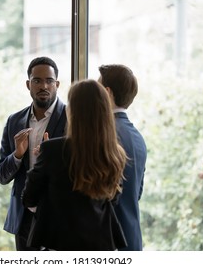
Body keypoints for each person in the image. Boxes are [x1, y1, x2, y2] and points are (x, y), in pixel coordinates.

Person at [21, 79, 128, 251]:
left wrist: (42, 160)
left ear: (74, 112)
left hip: (61, 246)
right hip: (103, 245)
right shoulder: (115, 153)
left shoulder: (52, 150)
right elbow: (113, 199)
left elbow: (28, 198)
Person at [0, 56, 67, 250]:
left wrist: (52, 158)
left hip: (60, 217)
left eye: (49, 81)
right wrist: (17, 155)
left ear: (57, 84)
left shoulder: (73, 119)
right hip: (24, 217)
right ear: (28, 84)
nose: (43, 85)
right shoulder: (14, 121)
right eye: (37, 80)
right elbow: (1, 175)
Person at [98, 64, 147, 251]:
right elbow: (137, 192)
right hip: (132, 239)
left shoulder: (104, 135)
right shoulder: (138, 138)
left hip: (108, 240)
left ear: (107, 93)